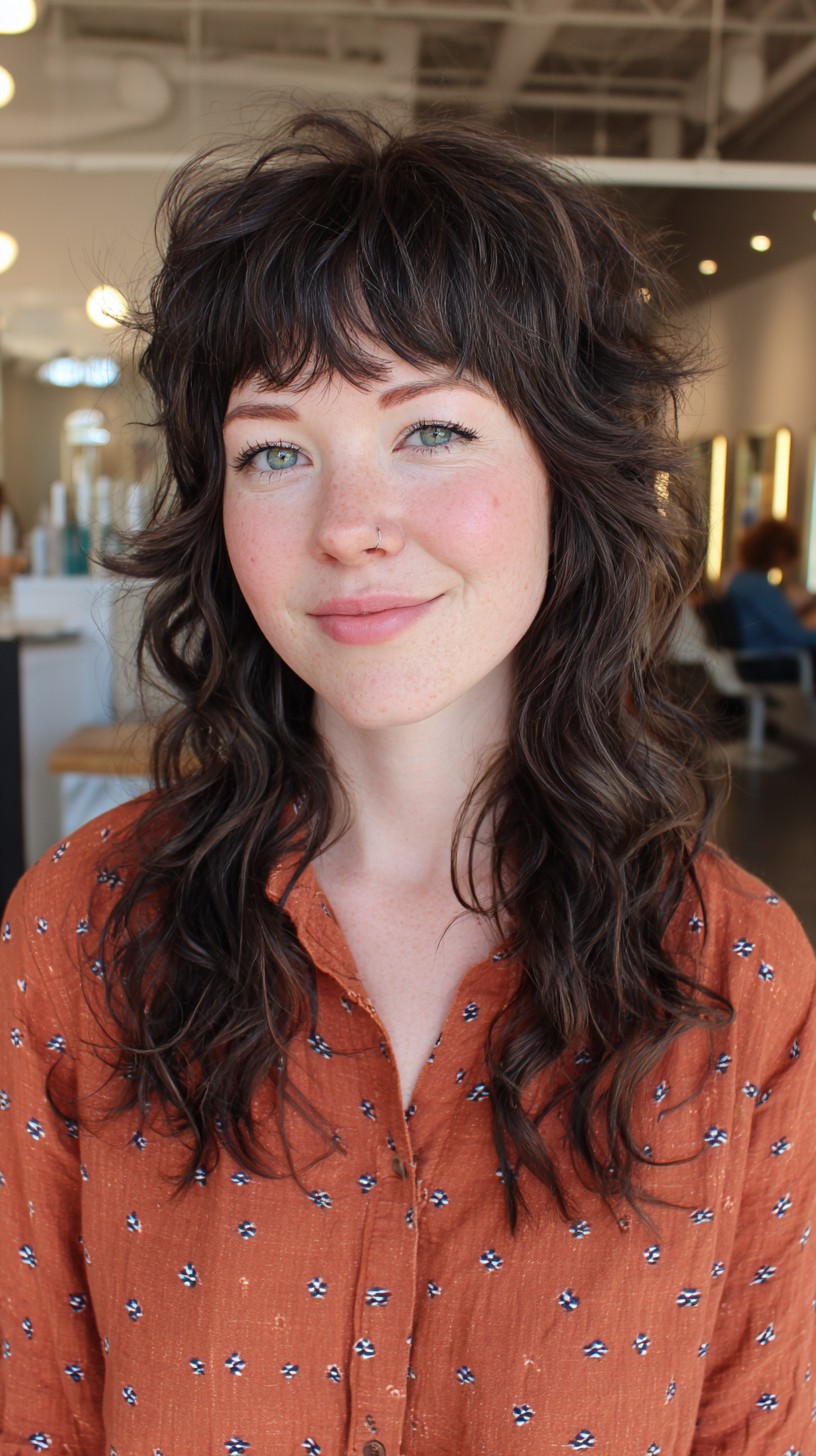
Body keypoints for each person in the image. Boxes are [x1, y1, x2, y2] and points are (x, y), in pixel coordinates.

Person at [1, 112, 814, 1456]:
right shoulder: (78, 934)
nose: (348, 525)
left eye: (430, 430)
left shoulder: (738, 977)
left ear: (569, 469)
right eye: (277, 450)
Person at [727, 517, 816, 656]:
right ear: (780, 553)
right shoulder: (759, 587)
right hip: (768, 660)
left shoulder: (741, 581)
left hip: (755, 656)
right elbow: (795, 635)